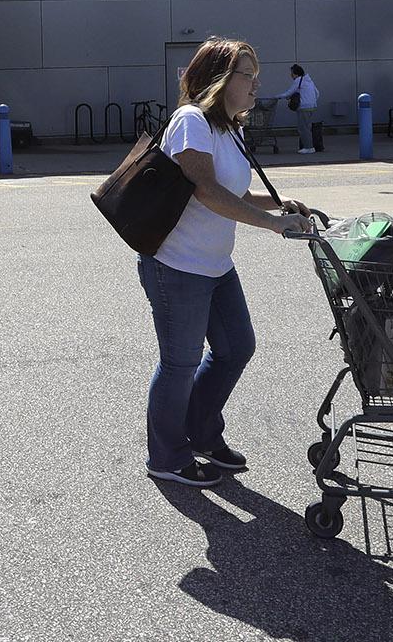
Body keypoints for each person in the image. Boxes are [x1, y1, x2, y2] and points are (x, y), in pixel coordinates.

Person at [140, 37, 312, 488]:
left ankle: (200, 433)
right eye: (248, 76)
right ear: (220, 79)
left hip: (215, 265)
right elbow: (204, 190)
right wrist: (272, 225)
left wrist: (277, 205)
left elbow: (230, 191)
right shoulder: (191, 121)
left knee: (237, 347)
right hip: (177, 264)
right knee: (180, 362)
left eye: (257, 75)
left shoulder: (228, 126)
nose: (257, 85)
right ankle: (166, 455)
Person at [283, 64, 320, 155]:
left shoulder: (299, 80)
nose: (291, 75)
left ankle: (308, 147)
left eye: (292, 73)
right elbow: (317, 93)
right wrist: (312, 101)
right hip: (312, 107)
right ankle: (309, 146)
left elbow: (289, 92)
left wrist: (277, 97)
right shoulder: (309, 81)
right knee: (307, 127)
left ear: (296, 74)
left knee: (303, 128)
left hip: (303, 108)